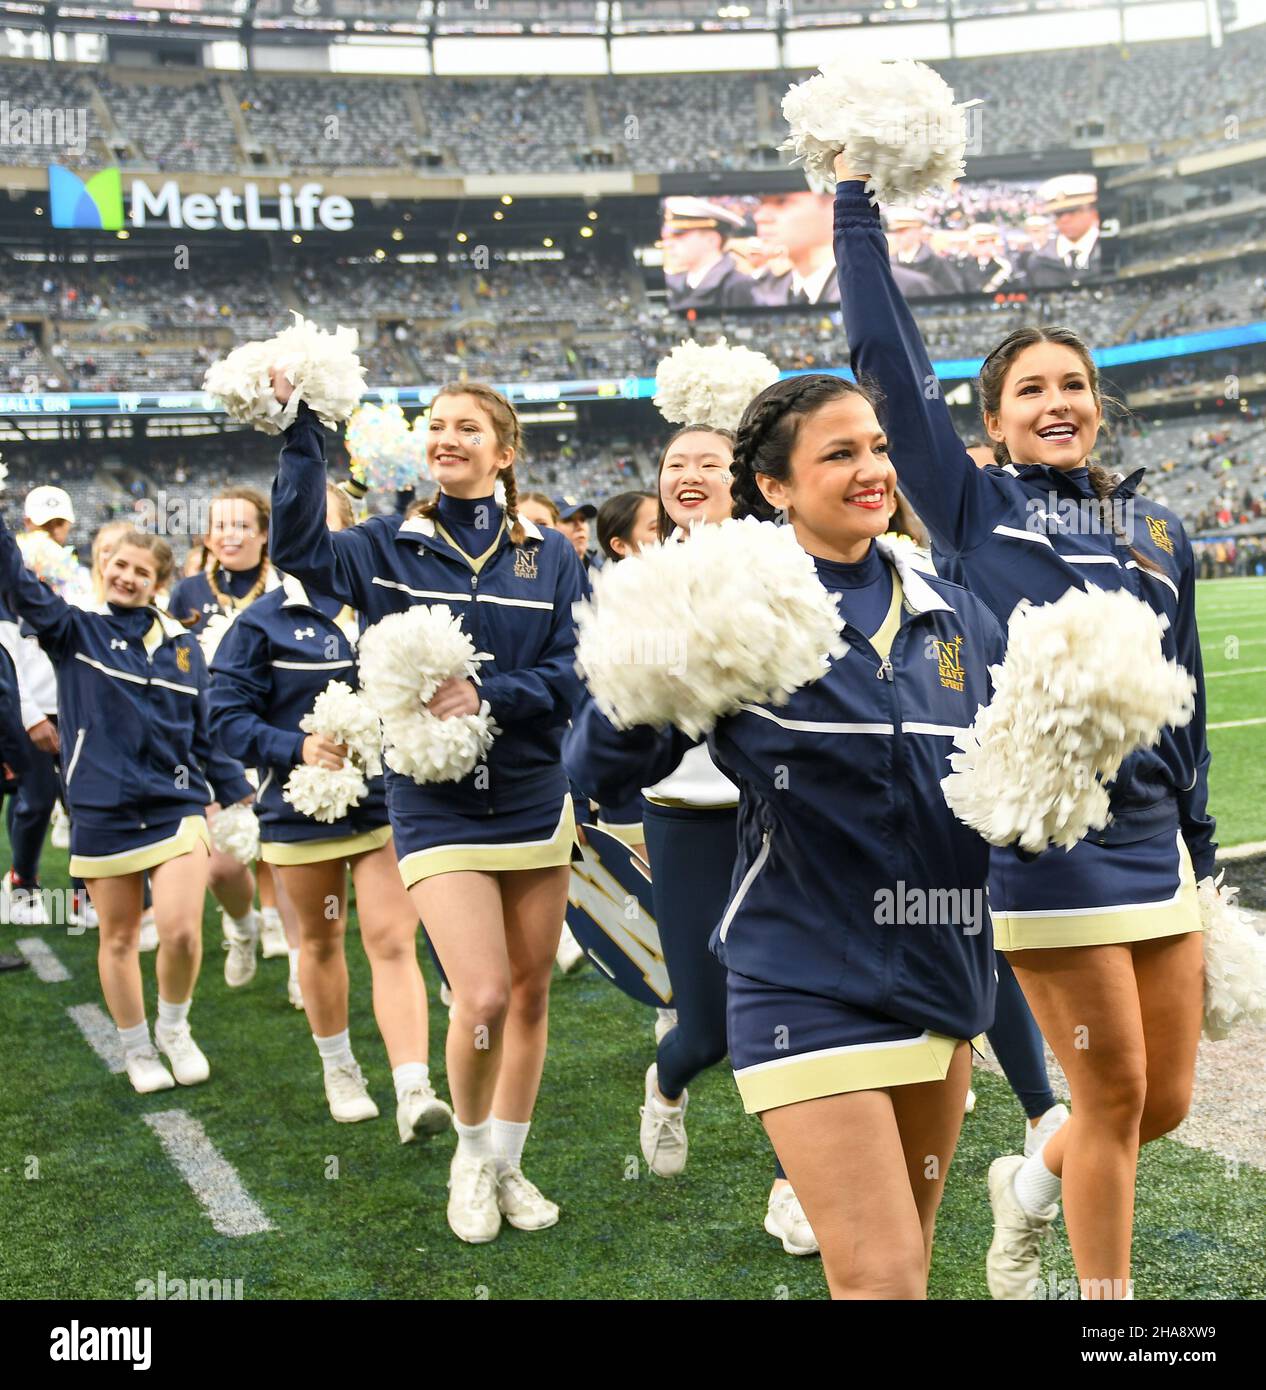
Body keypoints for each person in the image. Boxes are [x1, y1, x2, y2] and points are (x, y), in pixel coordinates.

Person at [835, 160, 1211, 1301]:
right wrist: (857, 212)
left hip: (1154, 842)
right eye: (1031, 389)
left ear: (1099, 403)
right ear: (991, 421)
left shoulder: (1155, 528)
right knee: (1107, 1096)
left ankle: (1029, 1183)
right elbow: (889, 367)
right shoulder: (972, 505)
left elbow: (1182, 686)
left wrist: (1200, 832)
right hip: (1048, 844)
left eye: (1076, 384)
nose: (1059, 401)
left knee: (1167, 1101)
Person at [269, 377, 588, 1245]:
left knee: (529, 997)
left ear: (505, 451)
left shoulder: (550, 554)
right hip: (432, 806)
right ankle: (472, 1157)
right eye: (436, 426)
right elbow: (298, 548)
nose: (447, 438)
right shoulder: (381, 546)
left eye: (467, 428)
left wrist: (493, 692)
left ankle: (510, 1164)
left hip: (531, 797)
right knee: (480, 994)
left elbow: (574, 670)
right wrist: (304, 439)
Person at [567, 427, 818, 1258]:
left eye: (710, 461)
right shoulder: (636, 585)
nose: (690, 473)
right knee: (707, 1032)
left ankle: (793, 1186)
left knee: (784, 1019)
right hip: (685, 821)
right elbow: (600, 731)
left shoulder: (780, 562)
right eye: (674, 462)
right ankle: (668, 1080)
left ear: (744, 478)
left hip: (780, 818)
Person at [209, 482, 452, 1138]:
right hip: (298, 813)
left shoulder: (387, 610)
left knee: (393, 939)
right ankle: (339, 1067)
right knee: (319, 941)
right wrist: (296, 747)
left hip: (384, 805)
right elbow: (224, 718)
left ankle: (412, 1088)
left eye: (323, 523)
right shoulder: (258, 623)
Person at [0, 516, 252, 1093]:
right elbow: (13, 580)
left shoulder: (184, 649)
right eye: (118, 565)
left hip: (175, 804)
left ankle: (175, 1027)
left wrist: (236, 794)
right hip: (102, 808)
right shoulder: (73, 629)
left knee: (181, 932)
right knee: (116, 938)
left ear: (158, 583)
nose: (127, 577)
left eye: (141, 571)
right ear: (101, 567)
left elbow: (205, 732)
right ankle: (136, 1049)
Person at [169, 487, 282, 985]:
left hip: (275, 730)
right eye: (221, 525)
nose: (230, 535)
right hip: (213, 743)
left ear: (262, 533)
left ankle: (295, 946)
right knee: (223, 867)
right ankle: (242, 926)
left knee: (282, 849)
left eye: (242, 525)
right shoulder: (188, 592)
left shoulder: (285, 584)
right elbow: (174, 672)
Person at [0, 486, 76, 925]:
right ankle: (23, 886)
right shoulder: (11, 573)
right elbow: (6, 649)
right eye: (42, 525)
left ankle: (83, 894)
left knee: (79, 801)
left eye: (57, 526)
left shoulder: (75, 573)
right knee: (34, 799)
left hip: (67, 702)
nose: (50, 534)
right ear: (26, 524)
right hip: (27, 704)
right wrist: (28, 714)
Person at [661, 197, 757, 312]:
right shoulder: (677, 283)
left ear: (712, 240)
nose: (669, 244)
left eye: (679, 236)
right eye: (668, 237)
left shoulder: (738, 285)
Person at [1022, 174, 1102, 288]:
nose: (1064, 219)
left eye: (1073, 211)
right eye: (1058, 214)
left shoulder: (1110, 250)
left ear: (1093, 212)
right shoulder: (1039, 260)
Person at [886, 207, 963, 296]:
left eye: (903, 231)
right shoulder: (890, 263)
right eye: (895, 231)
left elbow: (953, 294)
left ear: (918, 231)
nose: (898, 236)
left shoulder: (935, 262)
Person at [552, 496, 598, 571]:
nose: (580, 526)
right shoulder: (543, 571)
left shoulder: (601, 568)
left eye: (582, 519)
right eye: (568, 520)